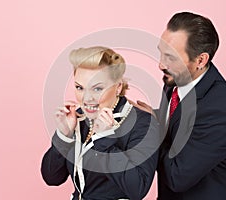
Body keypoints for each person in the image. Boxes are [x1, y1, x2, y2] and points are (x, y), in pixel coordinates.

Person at [136, 12, 226, 199]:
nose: (161, 64)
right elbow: (176, 123)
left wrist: (152, 129)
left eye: (171, 57)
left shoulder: (219, 113)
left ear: (200, 60)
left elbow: (177, 176)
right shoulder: (177, 79)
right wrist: (140, 116)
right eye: (161, 52)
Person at [41, 46, 159, 200]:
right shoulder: (79, 118)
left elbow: (137, 189)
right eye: (79, 88)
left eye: (97, 89)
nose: (86, 98)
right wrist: (64, 135)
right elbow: (52, 178)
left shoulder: (143, 123)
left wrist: (105, 138)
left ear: (118, 87)